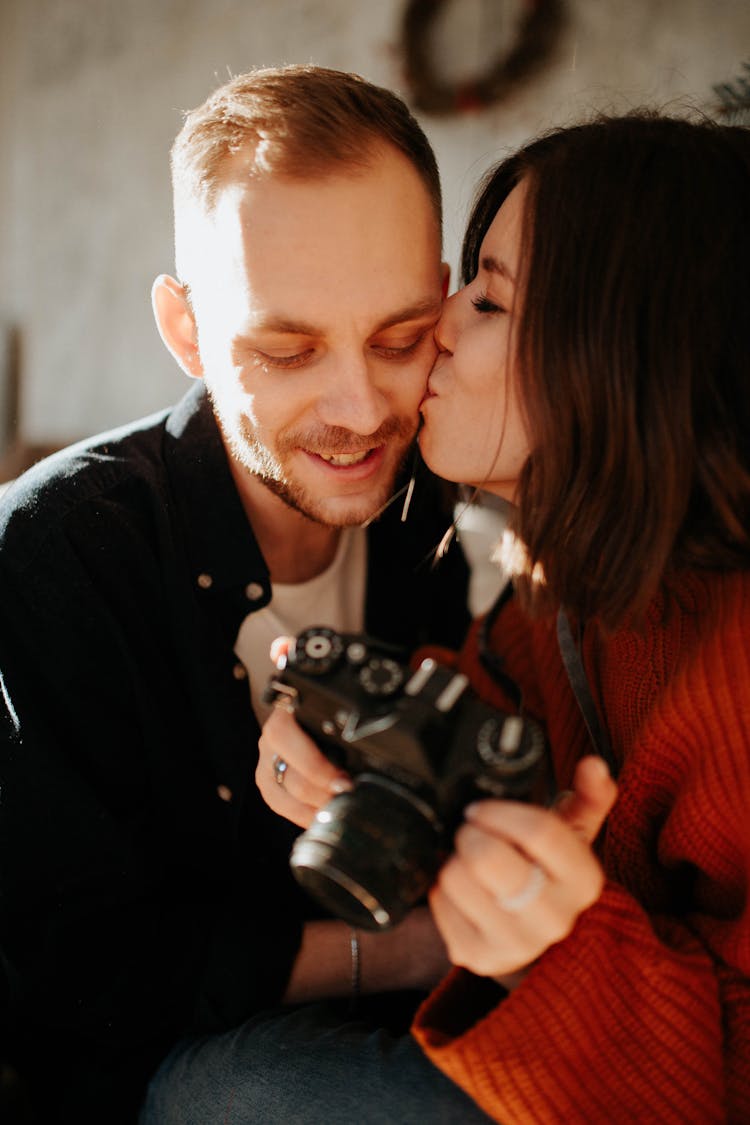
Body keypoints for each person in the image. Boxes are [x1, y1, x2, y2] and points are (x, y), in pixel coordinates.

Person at [0, 66, 474, 1124]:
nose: (361, 409)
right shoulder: (52, 552)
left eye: (401, 338)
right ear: (186, 330)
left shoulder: (442, 503)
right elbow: (79, 980)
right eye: (286, 349)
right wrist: (410, 946)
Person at [256, 111, 750, 1122]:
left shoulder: (735, 667)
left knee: (226, 1090)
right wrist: (340, 744)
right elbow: (489, 727)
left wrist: (550, 951)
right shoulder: (557, 592)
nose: (433, 323)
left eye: (487, 297)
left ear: (620, 352)